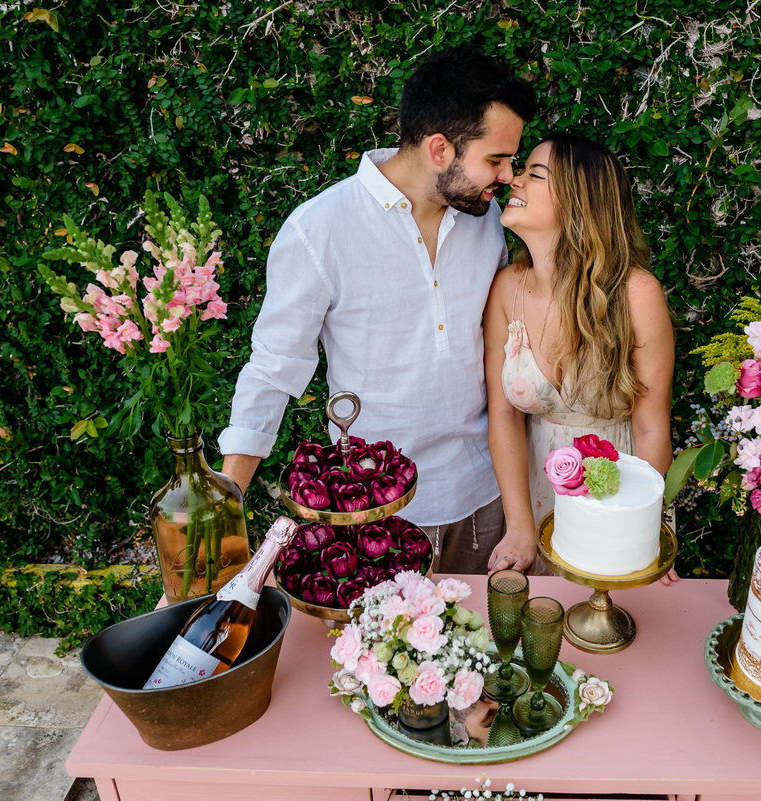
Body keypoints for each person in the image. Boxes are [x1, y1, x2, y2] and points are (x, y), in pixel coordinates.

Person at [218, 46, 536, 574]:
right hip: (373, 514)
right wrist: (224, 508)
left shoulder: (485, 218)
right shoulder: (319, 230)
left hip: (482, 498)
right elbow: (273, 371)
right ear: (439, 148)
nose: (507, 175)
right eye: (495, 160)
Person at [483, 134, 676, 578]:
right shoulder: (506, 289)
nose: (514, 180)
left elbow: (650, 428)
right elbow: (504, 416)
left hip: (619, 492)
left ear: (580, 200)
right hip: (533, 489)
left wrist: (636, 525)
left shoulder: (635, 294)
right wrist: (519, 528)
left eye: (534, 174)